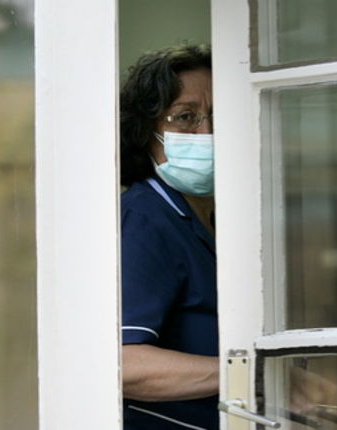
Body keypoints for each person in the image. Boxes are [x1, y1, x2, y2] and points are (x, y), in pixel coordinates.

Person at [119, 44, 219, 429]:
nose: (206, 132)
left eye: (217, 117)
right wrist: (251, 375)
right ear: (147, 133)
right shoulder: (144, 218)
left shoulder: (217, 220)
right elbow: (124, 366)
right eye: (185, 117)